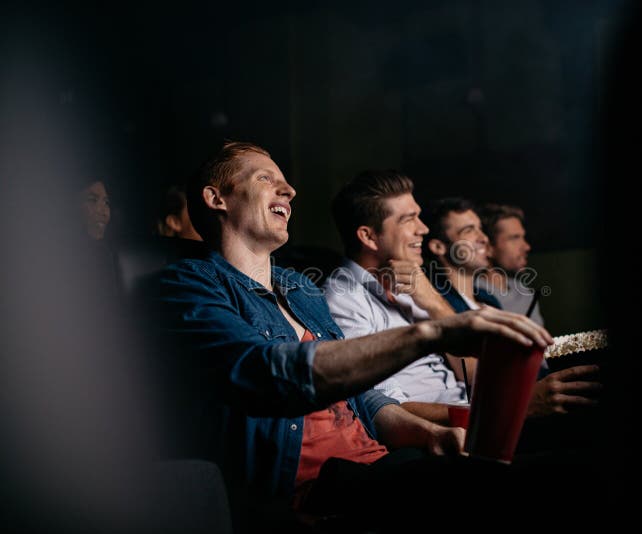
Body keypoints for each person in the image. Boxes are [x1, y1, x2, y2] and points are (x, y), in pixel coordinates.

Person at [153, 143, 554, 532]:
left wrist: (428, 434)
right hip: (313, 489)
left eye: (287, 184)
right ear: (216, 198)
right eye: (265, 178)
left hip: (375, 464)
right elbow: (261, 374)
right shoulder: (187, 284)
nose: (289, 191)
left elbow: (360, 398)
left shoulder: (299, 287)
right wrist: (430, 333)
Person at [324, 172, 600, 426]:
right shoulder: (344, 299)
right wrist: (512, 409)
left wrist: (429, 299)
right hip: (453, 432)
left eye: (419, 216)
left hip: (475, 413)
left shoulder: (408, 284)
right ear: (369, 237)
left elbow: (467, 364)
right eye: (408, 219)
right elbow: (380, 408)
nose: (422, 228)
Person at [475, 203, 544, 325]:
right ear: (488, 247)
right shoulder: (471, 296)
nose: (526, 247)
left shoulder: (525, 292)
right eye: (514, 238)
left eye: (523, 237)